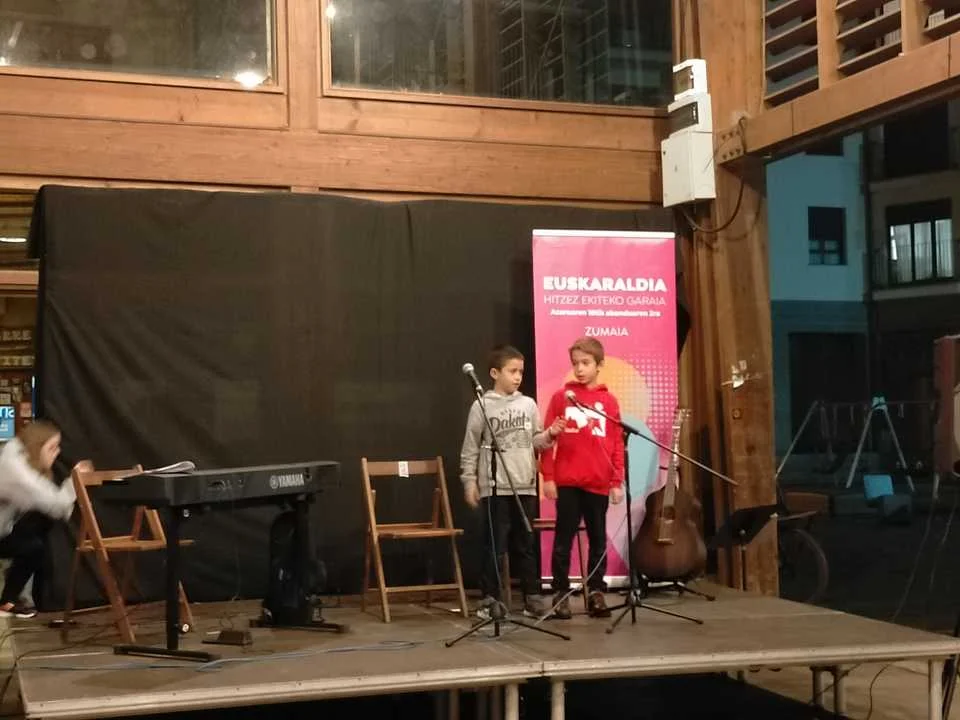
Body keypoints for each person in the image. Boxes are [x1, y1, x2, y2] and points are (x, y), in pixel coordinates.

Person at [460, 345, 564, 619]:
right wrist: (469, 481)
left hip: (524, 485)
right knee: (495, 546)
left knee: (526, 544)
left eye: (521, 372)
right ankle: (490, 599)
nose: (518, 377)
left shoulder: (528, 404)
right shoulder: (481, 405)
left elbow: (535, 441)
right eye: (512, 371)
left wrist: (550, 435)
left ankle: (531, 597)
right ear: (495, 373)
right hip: (495, 487)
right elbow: (471, 447)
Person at [541, 337, 624, 619]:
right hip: (568, 482)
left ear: (599, 365)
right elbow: (547, 440)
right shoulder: (561, 397)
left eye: (585, 363)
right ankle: (560, 593)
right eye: (575, 363)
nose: (579, 369)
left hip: (598, 483)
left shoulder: (609, 402)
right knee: (563, 539)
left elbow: (616, 444)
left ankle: (596, 591)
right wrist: (548, 477)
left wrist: (616, 481)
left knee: (598, 539)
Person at [0, 420, 75, 618]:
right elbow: (57, 505)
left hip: (4, 528)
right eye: (52, 447)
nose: (57, 452)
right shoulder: (16, 471)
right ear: (36, 445)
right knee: (34, 540)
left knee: (33, 543)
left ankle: (7, 601)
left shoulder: (15, 452)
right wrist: (74, 482)